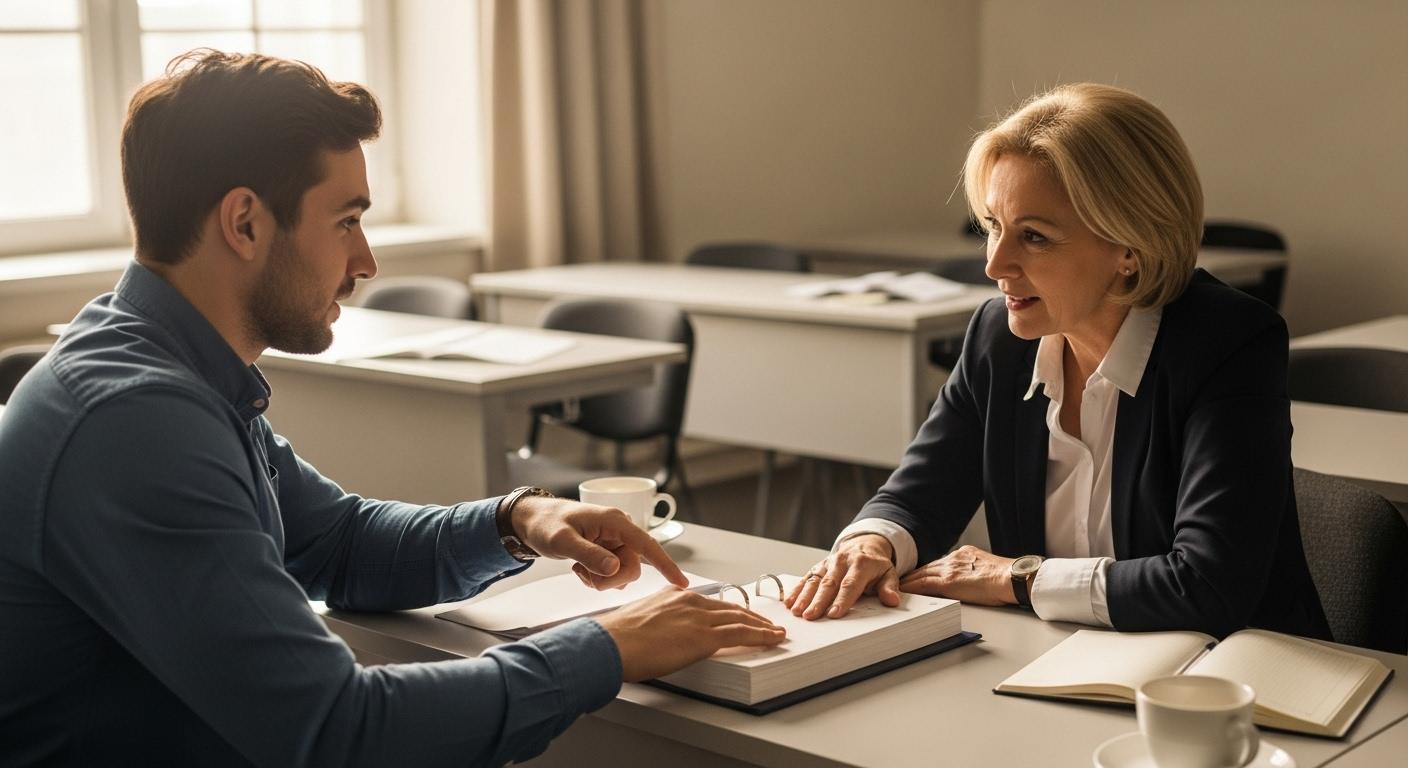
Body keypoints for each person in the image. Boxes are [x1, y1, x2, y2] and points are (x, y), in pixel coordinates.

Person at [0, 50, 784, 766]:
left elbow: (337, 543)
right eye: (346, 221)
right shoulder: (136, 423)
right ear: (244, 222)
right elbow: (342, 733)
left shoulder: (162, 364)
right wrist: (607, 648)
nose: (365, 261)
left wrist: (517, 521)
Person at [785, 83, 1330, 642]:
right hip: (1065, 665)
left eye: (1035, 237)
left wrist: (1017, 578)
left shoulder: (1230, 343)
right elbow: (917, 493)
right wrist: (871, 543)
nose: (996, 264)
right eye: (993, 227)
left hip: (1235, 681)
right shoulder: (998, 337)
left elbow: (1208, 585)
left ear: (1130, 248)